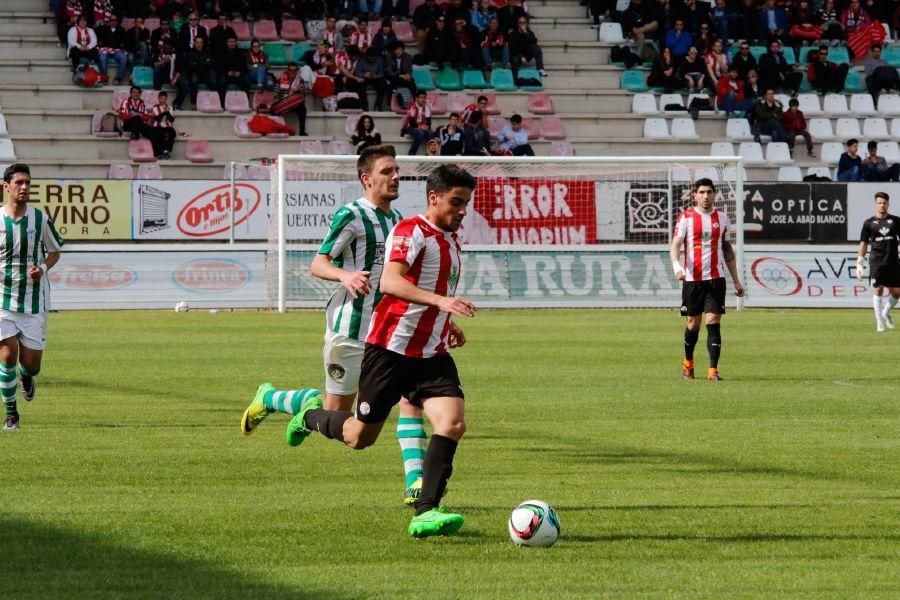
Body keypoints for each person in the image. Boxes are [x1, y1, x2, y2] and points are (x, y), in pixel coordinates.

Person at [282, 163, 477, 539]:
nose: (462, 211)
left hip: (431, 355)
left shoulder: (451, 240)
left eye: (466, 203)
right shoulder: (410, 231)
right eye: (456, 202)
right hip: (390, 351)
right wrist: (443, 301)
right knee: (358, 436)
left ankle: (426, 511)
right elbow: (389, 281)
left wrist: (446, 322)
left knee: (452, 423)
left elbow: (426, 295)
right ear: (434, 197)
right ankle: (309, 416)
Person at [241, 145, 433, 507]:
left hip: (390, 332)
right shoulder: (352, 215)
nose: (396, 176)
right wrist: (344, 275)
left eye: (397, 170)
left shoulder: (399, 222)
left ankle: (416, 483)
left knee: (411, 399)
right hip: (349, 331)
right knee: (338, 415)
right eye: (387, 171)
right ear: (366, 178)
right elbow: (318, 262)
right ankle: (270, 397)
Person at [0, 164, 64, 431]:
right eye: (19, 183)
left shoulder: (40, 219)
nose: (25, 187)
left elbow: (55, 250)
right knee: (6, 356)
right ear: (6, 186)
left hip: (33, 303)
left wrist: (43, 268)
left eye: (28, 182)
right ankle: (11, 413)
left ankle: (28, 377)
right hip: (2, 300)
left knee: (31, 365)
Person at [670, 178, 744, 382]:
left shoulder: (722, 217)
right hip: (692, 279)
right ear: (695, 195)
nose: (705, 196)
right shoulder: (686, 217)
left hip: (715, 279)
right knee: (693, 324)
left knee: (713, 321)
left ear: (714, 194)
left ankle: (713, 370)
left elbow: (727, 249)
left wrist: (737, 280)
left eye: (709, 192)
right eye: (701, 192)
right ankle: (688, 363)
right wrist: (677, 268)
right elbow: (675, 245)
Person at [857, 191, 900, 332]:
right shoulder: (869, 223)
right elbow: (863, 243)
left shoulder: (896, 221)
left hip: (893, 260)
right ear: (876, 204)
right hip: (876, 261)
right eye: (879, 203)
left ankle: (885, 313)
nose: (882, 205)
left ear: (888, 204)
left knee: (897, 291)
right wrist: (859, 261)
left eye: (884, 203)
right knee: (878, 287)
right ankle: (879, 322)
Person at [175, 36, 215, 109]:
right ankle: (193, 102)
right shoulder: (190, 53)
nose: (199, 44)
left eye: (200, 42)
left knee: (214, 81)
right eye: (197, 42)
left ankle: (214, 102)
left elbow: (211, 64)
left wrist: (198, 63)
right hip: (194, 74)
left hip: (205, 74)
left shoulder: (207, 52)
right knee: (194, 80)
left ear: (203, 44)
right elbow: (191, 66)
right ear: (194, 43)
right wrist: (204, 63)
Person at [272, 62, 309, 137]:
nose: (292, 72)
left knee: (302, 109)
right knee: (273, 110)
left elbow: (304, 91)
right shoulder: (280, 79)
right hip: (283, 103)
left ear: (297, 71)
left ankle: (302, 131)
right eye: (290, 70)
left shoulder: (300, 80)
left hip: (295, 104)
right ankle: (276, 130)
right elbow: (275, 93)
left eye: (294, 70)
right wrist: (275, 96)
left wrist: (297, 90)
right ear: (287, 70)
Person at [96, 14, 130, 84]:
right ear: (108, 21)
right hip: (105, 50)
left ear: (117, 22)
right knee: (102, 58)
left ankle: (118, 78)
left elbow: (124, 41)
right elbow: (98, 39)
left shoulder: (121, 30)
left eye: (115, 20)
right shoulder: (102, 28)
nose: (113, 22)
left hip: (116, 50)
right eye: (111, 20)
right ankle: (104, 77)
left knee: (124, 58)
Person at [352, 47, 388, 112]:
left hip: (376, 78)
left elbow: (382, 73)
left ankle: (377, 105)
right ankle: (364, 106)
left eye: (373, 57)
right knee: (359, 85)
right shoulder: (361, 59)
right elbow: (357, 72)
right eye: (369, 57)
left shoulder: (379, 60)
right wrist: (365, 74)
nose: (371, 59)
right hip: (364, 78)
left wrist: (376, 76)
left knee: (383, 85)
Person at [215, 36, 248, 104]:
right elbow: (219, 66)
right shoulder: (222, 53)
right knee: (220, 83)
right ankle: (222, 105)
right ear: (227, 43)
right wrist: (227, 72)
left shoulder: (240, 53)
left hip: (237, 75)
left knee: (246, 83)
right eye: (230, 42)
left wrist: (239, 72)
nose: (232, 43)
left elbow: (243, 66)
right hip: (226, 74)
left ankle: (245, 104)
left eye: (233, 42)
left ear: (236, 43)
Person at [401, 90, 433, 155]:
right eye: (420, 97)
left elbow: (428, 121)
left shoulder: (427, 107)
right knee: (420, 134)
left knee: (431, 133)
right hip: (410, 127)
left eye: (424, 97)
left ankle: (430, 154)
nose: (422, 99)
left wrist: (427, 127)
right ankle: (411, 154)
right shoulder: (412, 106)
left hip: (422, 127)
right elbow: (411, 122)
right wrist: (420, 127)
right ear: (416, 98)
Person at [385, 42, 415, 108]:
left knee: (412, 83)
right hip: (393, 76)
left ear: (403, 50)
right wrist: (399, 75)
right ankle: (389, 104)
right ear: (394, 50)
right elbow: (389, 71)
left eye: (400, 49)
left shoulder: (408, 57)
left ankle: (415, 103)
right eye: (396, 50)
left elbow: (409, 69)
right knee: (392, 84)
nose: (398, 51)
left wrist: (408, 75)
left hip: (404, 76)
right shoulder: (389, 57)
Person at [147, 90, 176, 159]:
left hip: (167, 126)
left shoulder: (170, 108)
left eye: (164, 98)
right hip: (157, 126)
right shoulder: (155, 108)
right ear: (158, 98)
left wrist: (168, 112)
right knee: (160, 133)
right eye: (161, 98)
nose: (163, 100)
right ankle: (161, 152)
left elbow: (172, 120)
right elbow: (157, 118)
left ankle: (166, 151)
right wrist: (164, 112)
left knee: (173, 133)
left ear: (166, 99)